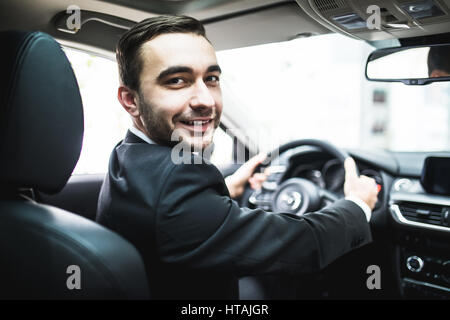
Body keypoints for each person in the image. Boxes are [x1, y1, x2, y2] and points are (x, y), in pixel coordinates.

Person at [96, 15, 379, 299]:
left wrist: (226, 187)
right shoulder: (177, 176)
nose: (205, 100)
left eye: (211, 79)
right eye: (177, 80)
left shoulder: (127, 153)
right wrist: (357, 205)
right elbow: (300, 245)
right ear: (130, 100)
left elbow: (168, 214)